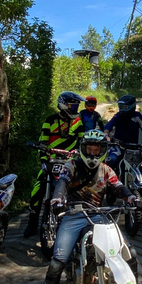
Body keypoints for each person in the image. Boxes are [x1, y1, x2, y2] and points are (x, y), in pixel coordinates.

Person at [38, 130, 142, 284]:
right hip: (72, 215)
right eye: (89, 149)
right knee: (57, 261)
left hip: (100, 215)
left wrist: (132, 198)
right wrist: (57, 200)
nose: (92, 154)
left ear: (103, 151)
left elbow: (118, 187)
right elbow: (61, 184)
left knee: (130, 253)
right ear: (82, 149)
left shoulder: (107, 170)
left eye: (96, 150)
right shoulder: (70, 166)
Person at [24, 91, 86, 238]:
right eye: (73, 105)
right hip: (51, 161)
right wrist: (43, 159)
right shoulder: (50, 120)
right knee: (36, 192)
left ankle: (79, 223)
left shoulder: (78, 121)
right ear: (64, 105)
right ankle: (32, 224)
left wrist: (79, 151)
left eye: (77, 106)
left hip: (69, 162)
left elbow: (82, 140)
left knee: (79, 190)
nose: (76, 108)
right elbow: (43, 141)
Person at [103, 94, 142, 209]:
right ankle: (109, 187)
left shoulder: (137, 117)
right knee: (111, 161)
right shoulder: (118, 116)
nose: (122, 110)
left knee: (139, 171)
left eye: (125, 107)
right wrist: (106, 134)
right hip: (117, 145)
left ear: (132, 106)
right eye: (120, 107)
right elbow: (109, 125)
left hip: (133, 148)